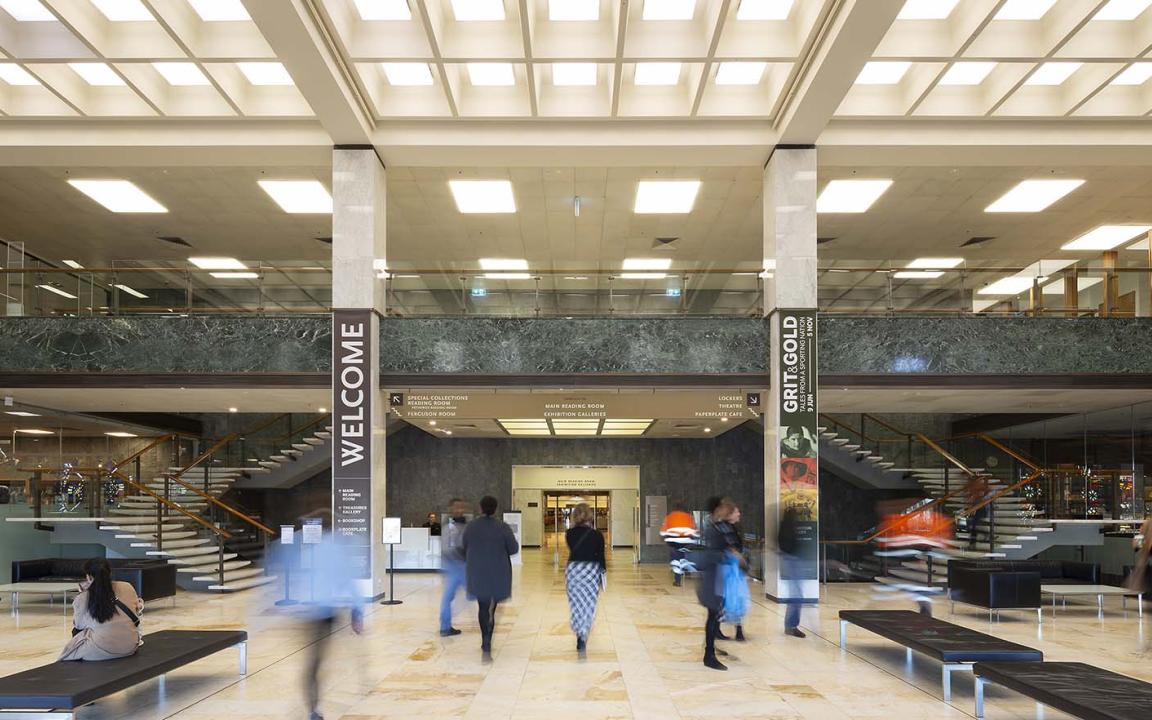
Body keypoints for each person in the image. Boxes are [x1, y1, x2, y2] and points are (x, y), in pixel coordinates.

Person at [298, 510, 365, 720]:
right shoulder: (336, 549)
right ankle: (313, 709)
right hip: (324, 611)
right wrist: (357, 610)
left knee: (314, 662)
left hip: (308, 610)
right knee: (316, 661)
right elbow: (347, 579)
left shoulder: (308, 548)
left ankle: (312, 707)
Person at [463, 495, 519, 660]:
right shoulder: (503, 527)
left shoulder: (471, 527)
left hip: (478, 571)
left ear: (480, 508)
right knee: (491, 609)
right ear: (495, 509)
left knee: (482, 606)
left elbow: (464, 546)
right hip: (498, 571)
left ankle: (485, 640)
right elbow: (514, 548)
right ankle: (488, 637)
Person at [58, 557, 143, 662]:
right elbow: (136, 610)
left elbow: (79, 625)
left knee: (70, 651)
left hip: (100, 650)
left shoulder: (84, 597)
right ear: (110, 573)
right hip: (129, 646)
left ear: (88, 577)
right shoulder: (127, 586)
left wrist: (83, 593)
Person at [697, 498, 736, 671]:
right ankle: (709, 654)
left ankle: (710, 648)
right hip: (712, 578)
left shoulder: (717, 525)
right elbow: (712, 554)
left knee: (714, 615)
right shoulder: (712, 528)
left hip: (717, 577)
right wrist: (730, 555)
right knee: (713, 615)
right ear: (717, 509)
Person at [565, 502, 606, 653]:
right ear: (590, 515)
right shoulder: (597, 535)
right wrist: (603, 573)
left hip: (574, 570)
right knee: (589, 603)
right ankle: (583, 633)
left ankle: (578, 632)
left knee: (576, 603)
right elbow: (600, 556)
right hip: (591, 570)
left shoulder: (569, 534)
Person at [439, 498, 470, 637]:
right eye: (456, 507)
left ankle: (485, 621)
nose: (459, 510)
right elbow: (448, 548)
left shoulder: (466, 523)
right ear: (451, 508)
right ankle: (445, 627)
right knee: (449, 596)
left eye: (461, 507)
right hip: (453, 566)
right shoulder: (449, 525)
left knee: (474, 594)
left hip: (463, 565)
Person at [778, 505, 805, 638]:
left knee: (796, 594)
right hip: (793, 561)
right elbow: (788, 545)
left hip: (792, 560)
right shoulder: (788, 528)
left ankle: (791, 625)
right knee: (796, 595)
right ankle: (791, 626)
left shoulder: (786, 527)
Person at [722, 504, 749, 641]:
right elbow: (729, 547)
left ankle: (738, 628)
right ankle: (719, 629)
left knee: (737, 599)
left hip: (735, 569)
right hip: (729, 568)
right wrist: (739, 557)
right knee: (730, 599)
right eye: (736, 512)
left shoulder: (733, 528)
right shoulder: (726, 529)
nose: (739, 514)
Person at [659, 505, 698, 586]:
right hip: (687, 541)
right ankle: (685, 565)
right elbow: (695, 531)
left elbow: (663, 531)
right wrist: (693, 540)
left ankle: (677, 579)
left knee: (675, 557)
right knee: (682, 555)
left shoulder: (670, 516)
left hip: (674, 541)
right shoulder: (689, 517)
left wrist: (663, 537)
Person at [965, 474, 990, 550]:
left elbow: (985, 493)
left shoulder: (977, 486)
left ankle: (973, 544)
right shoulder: (973, 487)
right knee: (974, 526)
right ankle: (985, 535)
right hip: (977, 508)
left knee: (974, 526)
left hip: (980, 508)